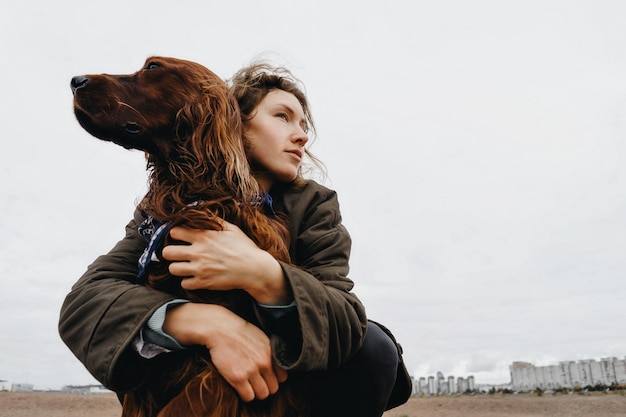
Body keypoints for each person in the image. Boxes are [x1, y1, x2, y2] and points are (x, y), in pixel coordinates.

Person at [59, 60, 409, 417]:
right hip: (180, 378)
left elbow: (344, 320)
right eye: (282, 116)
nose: (302, 135)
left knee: (374, 348)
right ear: (234, 122)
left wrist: (264, 274)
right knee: (134, 342)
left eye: (304, 125)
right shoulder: (162, 208)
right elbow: (85, 302)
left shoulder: (314, 204)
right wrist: (208, 324)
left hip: (282, 383)